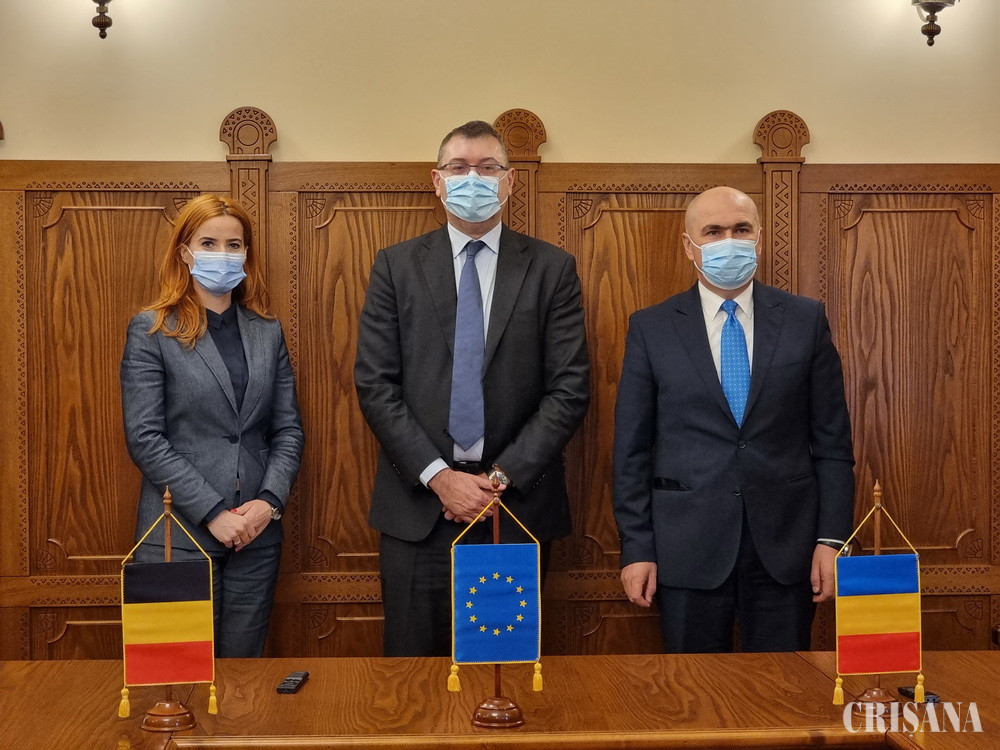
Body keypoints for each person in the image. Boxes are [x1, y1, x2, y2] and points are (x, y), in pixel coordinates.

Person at [354, 120, 590, 657]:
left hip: (514, 508)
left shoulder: (552, 269)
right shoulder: (395, 266)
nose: (474, 179)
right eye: (459, 168)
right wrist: (442, 480)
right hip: (419, 511)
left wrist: (496, 481)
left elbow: (570, 388)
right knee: (413, 678)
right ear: (437, 181)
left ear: (510, 181)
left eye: (488, 168)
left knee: (504, 675)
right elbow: (375, 384)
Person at [612, 185, 854, 653]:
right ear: (689, 246)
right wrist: (637, 547)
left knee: (786, 687)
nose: (730, 241)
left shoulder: (805, 320)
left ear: (759, 238)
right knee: (693, 690)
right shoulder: (651, 327)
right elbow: (631, 451)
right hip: (686, 549)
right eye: (714, 231)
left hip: (787, 549)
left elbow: (833, 443)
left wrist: (831, 540)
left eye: (741, 229)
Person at [121, 194, 304, 658]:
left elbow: (287, 430)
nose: (222, 254)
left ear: (246, 254)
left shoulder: (267, 331)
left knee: (244, 674)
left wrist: (269, 504)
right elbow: (145, 438)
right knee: (175, 673)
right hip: (176, 532)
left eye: (233, 245)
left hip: (257, 535)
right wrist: (213, 513)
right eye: (209, 243)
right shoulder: (151, 329)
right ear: (185, 252)